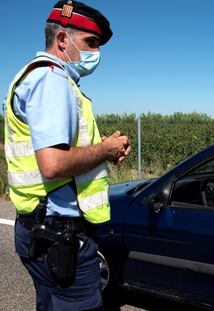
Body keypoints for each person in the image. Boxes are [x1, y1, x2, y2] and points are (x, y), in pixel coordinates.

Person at [3, 1, 131, 310]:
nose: (96, 54)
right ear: (63, 39)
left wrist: (101, 149)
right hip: (57, 233)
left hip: (41, 227)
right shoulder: (52, 80)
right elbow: (54, 164)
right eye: (91, 43)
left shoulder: (42, 78)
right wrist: (105, 150)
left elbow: (57, 150)